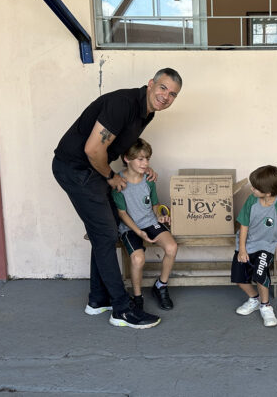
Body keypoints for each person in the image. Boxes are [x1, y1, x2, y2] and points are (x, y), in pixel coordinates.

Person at [52, 68, 182, 330]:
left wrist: (143, 167)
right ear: (150, 84)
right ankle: (121, 310)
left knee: (105, 233)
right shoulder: (123, 104)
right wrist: (111, 176)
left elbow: (123, 148)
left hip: (92, 170)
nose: (166, 96)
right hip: (77, 169)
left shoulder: (146, 113)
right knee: (105, 234)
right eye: (163, 88)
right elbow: (92, 149)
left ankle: (98, 300)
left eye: (173, 94)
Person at [111, 139, 178, 312]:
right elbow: (122, 213)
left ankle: (161, 286)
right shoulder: (119, 182)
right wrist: (138, 233)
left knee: (171, 247)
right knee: (138, 259)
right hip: (130, 227)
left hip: (150, 222)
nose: (145, 163)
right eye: (140, 159)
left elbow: (155, 204)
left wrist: (161, 216)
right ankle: (138, 296)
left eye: (147, 159)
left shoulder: (149, 179)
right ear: (127, 158)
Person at [231, 166, 277, 327]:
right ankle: (254, 299)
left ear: (268, 193)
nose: (252, 189)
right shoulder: (251, 200)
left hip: (266, 245)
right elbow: (244, 225)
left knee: (260, 274)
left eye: (255, 188)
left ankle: (265, 305)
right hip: (247, 243)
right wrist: (242, 249)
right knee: (238, 278)